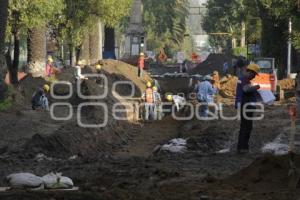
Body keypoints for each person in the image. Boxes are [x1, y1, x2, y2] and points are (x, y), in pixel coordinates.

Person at [235, 64, 260, 153]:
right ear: (250, 72)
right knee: (246, 127)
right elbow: (246, 90)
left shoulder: (243, 79)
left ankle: (242, 147)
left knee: (245, 126)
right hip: (246, 106)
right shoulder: (244, 80)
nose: (253, 77)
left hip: (245, 105)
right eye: (254, 75)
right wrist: (256, 87)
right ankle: (243, 148)